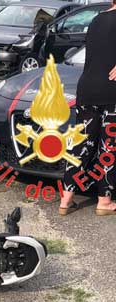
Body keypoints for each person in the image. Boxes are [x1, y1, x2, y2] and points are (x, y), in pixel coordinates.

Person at [59, 2, 116, 215]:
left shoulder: (96, 20)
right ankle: (104, 201)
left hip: (87, 88)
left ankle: (66, 200)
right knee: (108, 147)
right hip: (112, 91)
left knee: (80, 145)